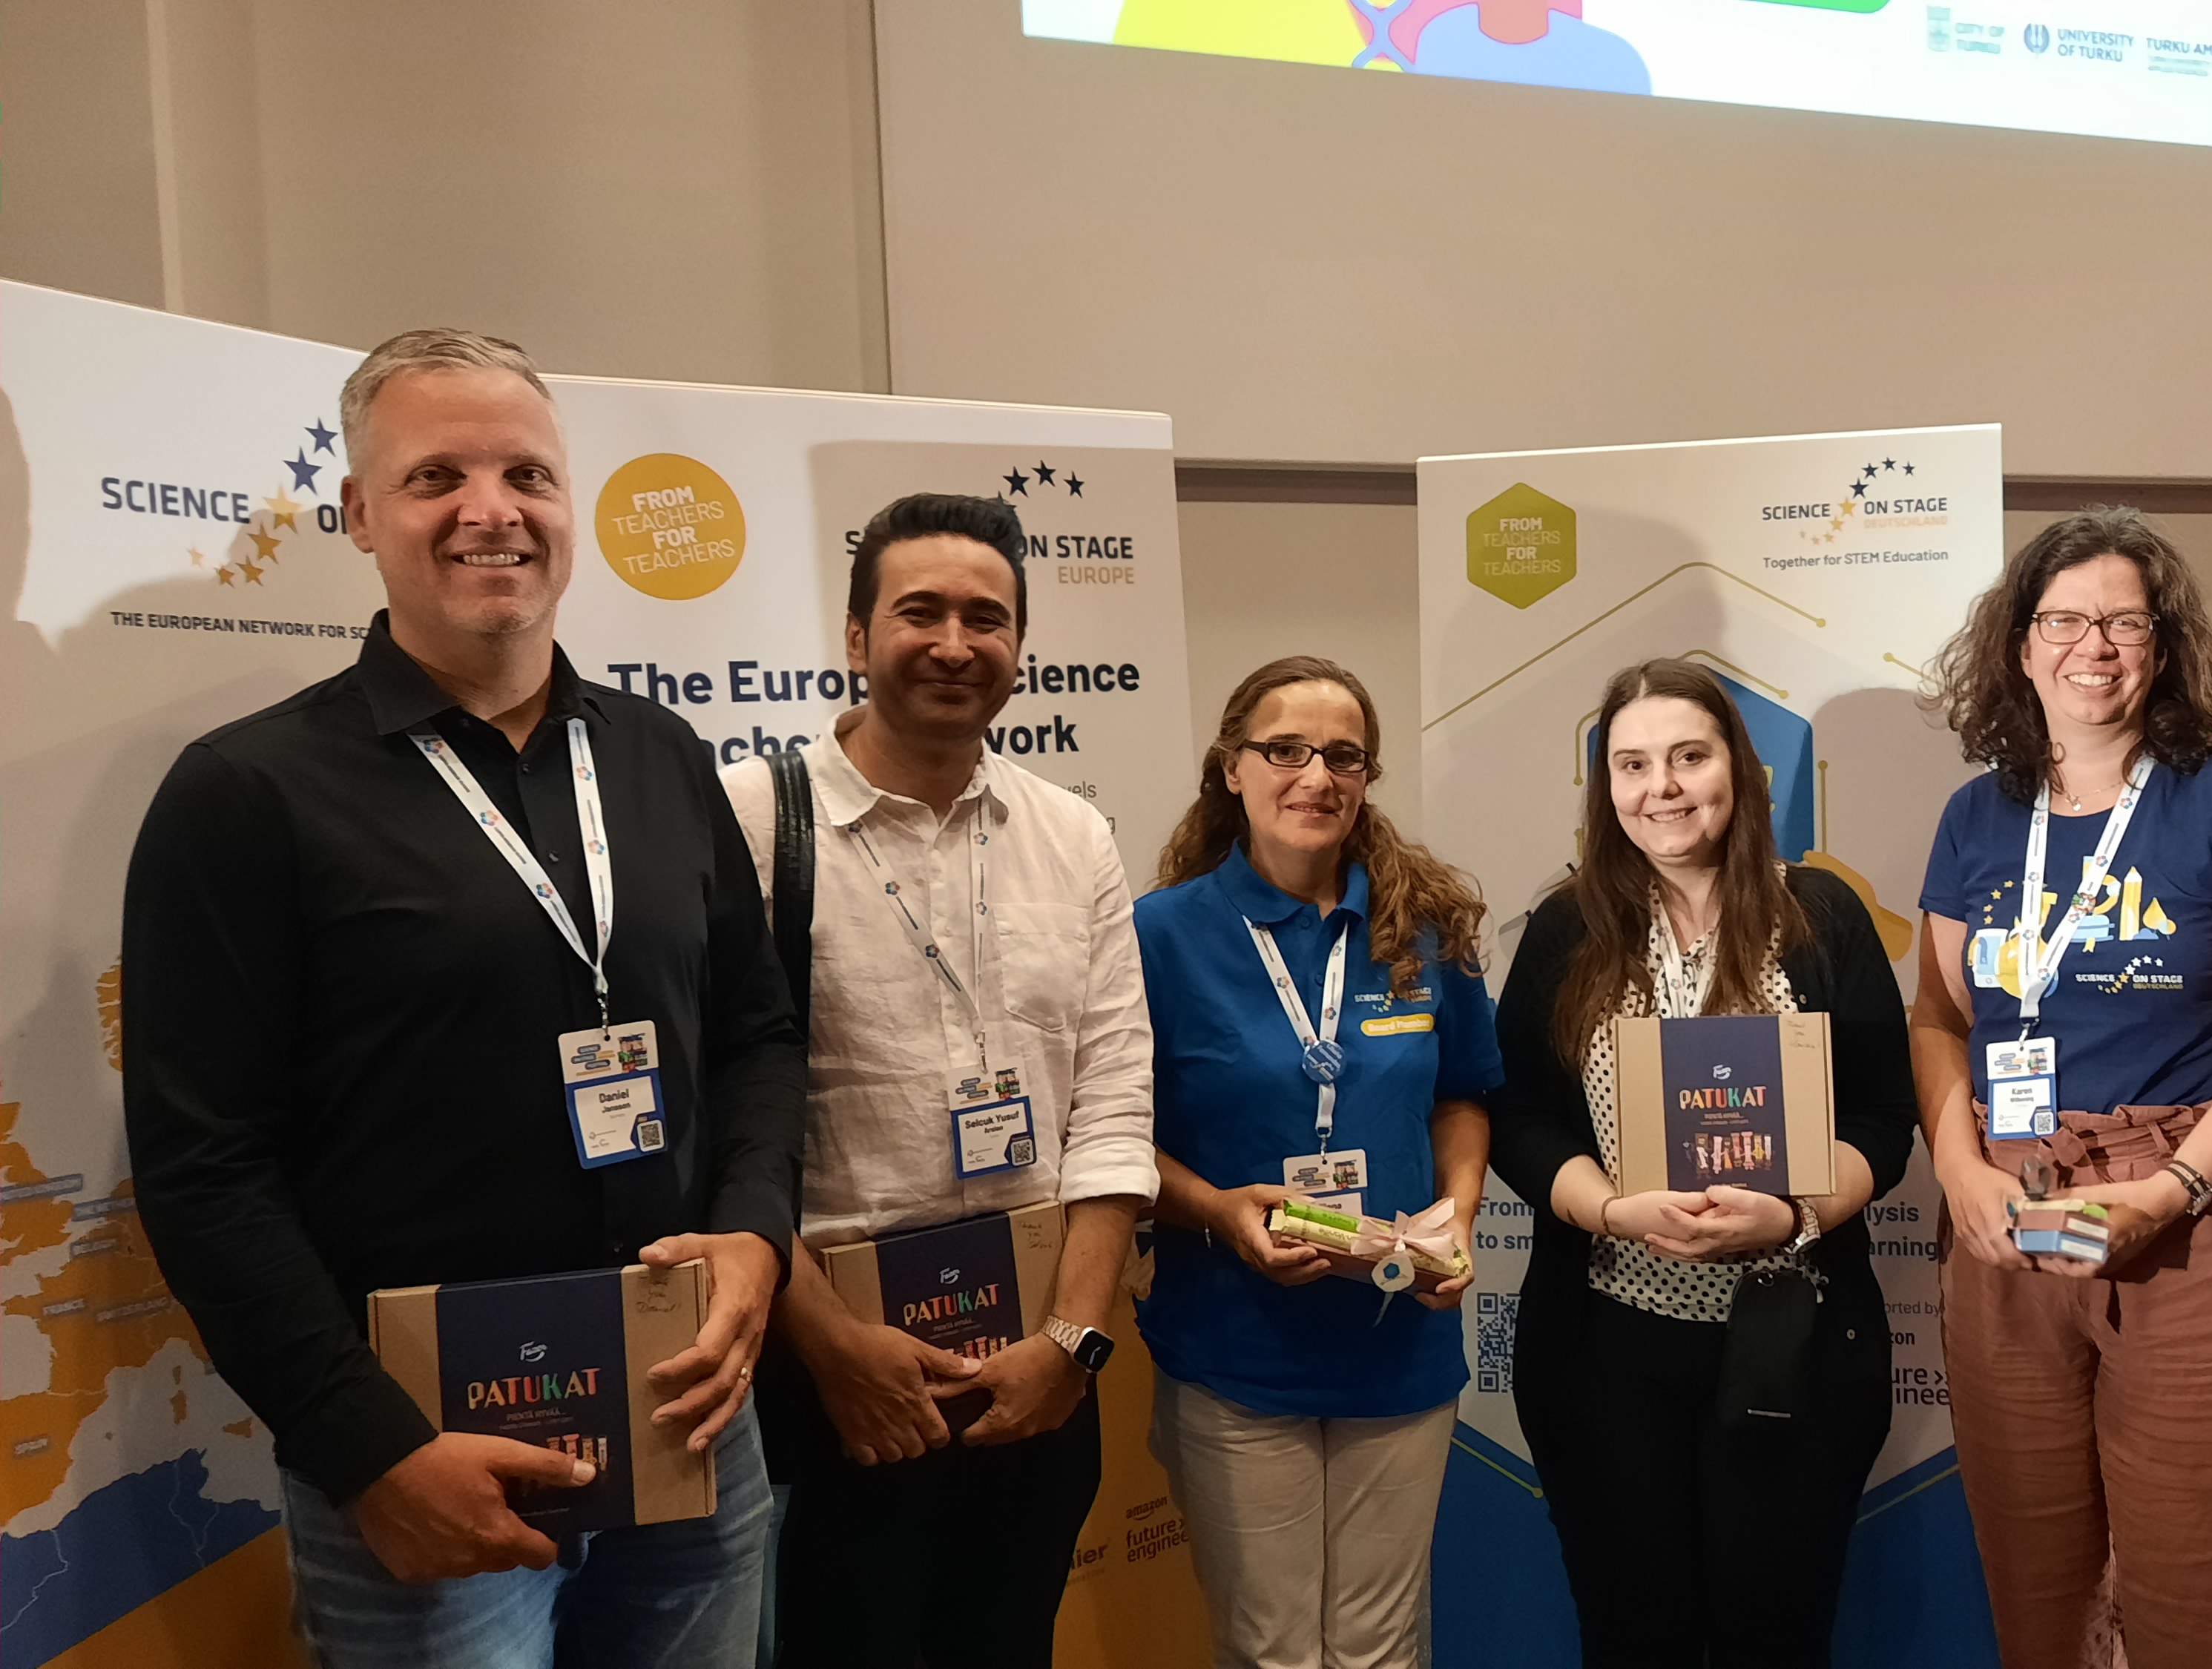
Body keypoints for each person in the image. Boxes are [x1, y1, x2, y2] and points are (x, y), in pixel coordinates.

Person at [120, 329, 800, 1666]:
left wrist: (754, 1237)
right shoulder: (248, 793)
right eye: (438, 476)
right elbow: (206, 1167)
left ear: (570, 509)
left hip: (690, 1423)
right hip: (427, 1456)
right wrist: (367, 1452)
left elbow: (759, 1038)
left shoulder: (662, 756)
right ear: (361, 514)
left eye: (528, 475)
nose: (492, 511)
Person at [719, 493, 1154, 1667]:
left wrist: (1074, 1341)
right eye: (920, 611)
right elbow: (720, 1129)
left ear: (1020, 648)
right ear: (857, 638)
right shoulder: (753, 824)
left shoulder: (1074, 834)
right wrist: (829, 1351)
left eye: (987, 617)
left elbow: (1114, 1100)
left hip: (1038, 1368)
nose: (956, 642)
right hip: (839, 1377)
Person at [1909, 507, 2212, 1667]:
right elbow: (1941, 1016)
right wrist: (1957, 1172)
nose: (2090, 645)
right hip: (2010, 1212)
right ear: (2018, 641)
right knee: (2038, 1587)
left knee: (2210, 1586)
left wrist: (2178, 1184)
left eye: (2122, 621)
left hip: (2195, 1214)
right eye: (2063, 619)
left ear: (2164, 643)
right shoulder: (1976, 816)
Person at [1487, 658, 1914, 1669]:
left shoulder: (1822, 917)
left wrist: (1798, 1215)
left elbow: (1886, 1118)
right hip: (1607, 1351)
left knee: (1777, 1634)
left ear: (1740, 770)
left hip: (1790, 1339)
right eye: (1631, 764)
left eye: (1689, 756)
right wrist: (1606, 1208)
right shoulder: (1566, 926)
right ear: (1605, 788)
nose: (1661, 786)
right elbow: (1516, 1116)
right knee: (1636, 1636)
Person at [1130, 656, 1500, 1669]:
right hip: (1237, 1345)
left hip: (1398, 1331)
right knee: (1270, 1648)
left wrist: (1454, 1217)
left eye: (1343, 754)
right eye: (1284, 749)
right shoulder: (1158, 934)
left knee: (1382, 1644)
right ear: (1231, 768)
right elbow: (1113, 1136)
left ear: (1367, 776)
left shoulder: (1421, 927)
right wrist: (1215, 1209)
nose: (1315, 774)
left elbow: (1465, 1093)